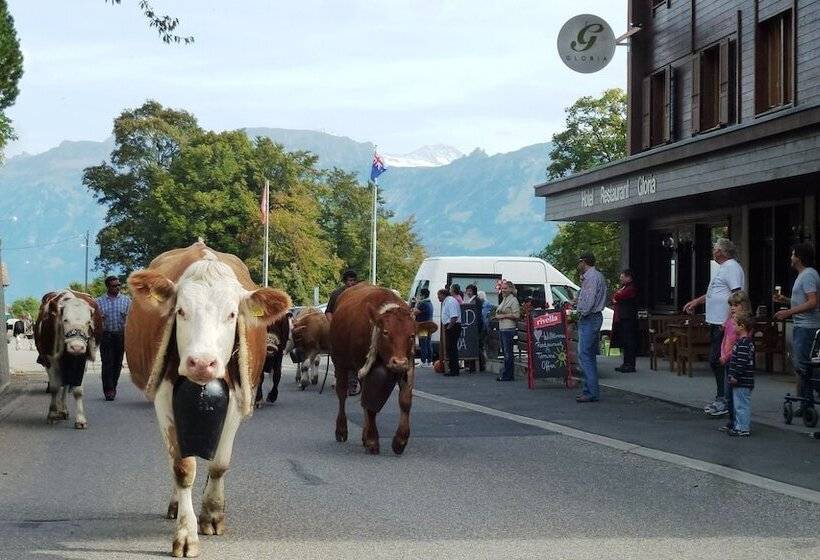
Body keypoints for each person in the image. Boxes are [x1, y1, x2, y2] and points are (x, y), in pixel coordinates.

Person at [683, 238, 745, 417]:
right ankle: (723, 397)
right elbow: (715, 292)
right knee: (717, 359)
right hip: (716, 321)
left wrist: (730, 320)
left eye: (715, 248)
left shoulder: (732, 267)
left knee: (719, 359)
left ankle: (724, 399)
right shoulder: (722, 269)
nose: (713, 250)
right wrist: (697, 301)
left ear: (722, 252)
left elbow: (736, 294)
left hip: (723, 323)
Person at [773, 242, 820, 410]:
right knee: (802, 365)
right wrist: (785, 301)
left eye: (793, 255)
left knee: (804, 365)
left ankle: (808, 402)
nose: (791, 258)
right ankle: (805, 402)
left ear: (799, 257)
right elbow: (805, 300)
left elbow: (813, 302)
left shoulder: (807, 275)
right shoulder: (804, 275)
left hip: (807, 326)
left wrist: (789, 312)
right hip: (802, 325)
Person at [718, 291, 753, 432]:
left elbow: (739, 344)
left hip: (736, 360)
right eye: (731, 305)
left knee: (736, 396)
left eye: (736, 305)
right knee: (729, 394)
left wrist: (726, 356)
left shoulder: (744, 324)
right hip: (727, 359)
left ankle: (740, 424)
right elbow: (725, 340)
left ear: (744, 306)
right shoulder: (730, 320)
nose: (733, 308)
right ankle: (733, 421)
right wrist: (722, 354)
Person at [575, 253, 608, 402]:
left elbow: (589, 299)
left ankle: (590, 392)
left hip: (590, 317)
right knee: (589, 355)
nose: (578, 265)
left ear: (584, 262)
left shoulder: (591, 277)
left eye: (579, 262)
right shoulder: (597, 276)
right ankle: (590, 390)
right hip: (595, 317)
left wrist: (581, 312)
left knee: (585, 355)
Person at [95, 275, 132, 401]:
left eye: (118, 285)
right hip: (106, 335)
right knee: (107, 363)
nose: (117, 287)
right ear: (108, 287)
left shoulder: (127, 301)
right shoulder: (98, 302)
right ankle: (108, 389)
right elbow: (94, 320)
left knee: (117, 363)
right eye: (114, 286)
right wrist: (99, 319)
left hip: (120, 335)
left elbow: (131, 319)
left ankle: (113, 386)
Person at [325, 269, 360, 396]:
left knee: (354, 357)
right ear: (345, 282)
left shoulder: (360, 293)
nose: (351, 283)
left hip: (355, 330)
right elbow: (328, 312)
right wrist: (333, 325)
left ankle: (353, 384)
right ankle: (341, 380)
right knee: (338, 357)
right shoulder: (337, 294)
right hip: (340, 330)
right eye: (349, 280)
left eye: (353, 280)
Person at [726, 314, 755, 437]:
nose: (734, 327)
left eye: (736, 324)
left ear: (742, 326)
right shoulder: (747, 343)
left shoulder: (743, 344)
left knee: (740, 405)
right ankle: (741, 426)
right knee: (742, 404)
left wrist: (735, 376)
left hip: (741, 380)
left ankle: (742, 427)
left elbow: (741, 363)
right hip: (746, 380)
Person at [611, 269, 638, 373]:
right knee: (625, 341)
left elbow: (618, 296)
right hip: (623, 317)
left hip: (628, 317)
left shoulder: (631, 288)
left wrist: (617, 296)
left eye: (622, 277)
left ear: (628, 277)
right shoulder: (624, 287)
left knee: (629, 341)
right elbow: (615, 296)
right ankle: (625, 363)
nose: (621, 279)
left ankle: (630, 364)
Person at [494, 280, 520, 382]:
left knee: (508, 353)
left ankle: (508, 375)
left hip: (508, 328)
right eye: (502, 288)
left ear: (510, 289)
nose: (503, 290)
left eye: (505, 288)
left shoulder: (513, 300)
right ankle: (506, 373)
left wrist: (503, 315)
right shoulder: (504, 299)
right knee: (505, 353)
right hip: (502, 327)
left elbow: (516, 315)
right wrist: (497, 315)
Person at [440, 286, 461, 376]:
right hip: (451, 325)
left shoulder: (450, 301)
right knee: (450, 348)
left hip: (453, 326)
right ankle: (453, 368)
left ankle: (454, 370)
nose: (438, 298)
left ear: (444, 295)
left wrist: (449, 327)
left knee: (452, 348)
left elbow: (454, 316)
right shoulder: (447, 302)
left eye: (439, 295)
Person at [414, 288, 434, 367]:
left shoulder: (422, 304)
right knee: (428, 344)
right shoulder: (430, 303)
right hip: (429, 326)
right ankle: (429, 361)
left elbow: (415, 312)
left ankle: (423, 361)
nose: (419, 296)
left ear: (422, 295)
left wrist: (416, 303)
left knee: (423, 344)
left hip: (422, 326)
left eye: (420, 295)